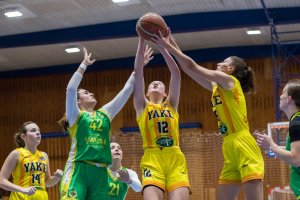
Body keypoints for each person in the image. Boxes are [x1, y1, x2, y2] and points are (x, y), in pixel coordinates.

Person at [151, 31, 264, 200]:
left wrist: (165, 45)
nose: (219, 63)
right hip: (229, 145)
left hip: (243, 144)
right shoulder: (216, 86)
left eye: (224, 62)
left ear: (230, 69)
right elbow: (188, 69)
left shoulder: (229, 81)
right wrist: (170, 40)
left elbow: (192, 66)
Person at [58, 47, 137, 200]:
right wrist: (83, 65)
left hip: (100, 172)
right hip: (79, 168)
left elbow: (125, 92)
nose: (92, 93)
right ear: (78, 101)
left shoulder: (104, 114)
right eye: (86, 93)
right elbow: (71, 89)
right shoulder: (75, 115)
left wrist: (138, 68)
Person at [134, 34, 190, 200]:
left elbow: (176, 73)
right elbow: (137, 74)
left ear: (166, 93)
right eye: (152, 84)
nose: (155, 84)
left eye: (159, 84)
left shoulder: (171, 104)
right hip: (152, 158)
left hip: (175, 158)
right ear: (147, 92)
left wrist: (163, 48)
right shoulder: (142, 106)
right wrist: (142, 39)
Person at [256, 79, 300, 200]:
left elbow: (296, 159)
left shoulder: (296, 124)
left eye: (283, 92)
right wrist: (274, 148)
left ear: (289, 98)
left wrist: (271, 146)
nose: (280, 96)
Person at [0, 121, 63, 200]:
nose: (38, 133)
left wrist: (56, 178)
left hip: (42, 197)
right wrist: (22, 190)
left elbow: (46, 182)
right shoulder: (16, 154)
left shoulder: (44, 155)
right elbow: (1, 181)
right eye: (33, 130)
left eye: (39, 131)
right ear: (23, 136)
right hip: (21, 196)